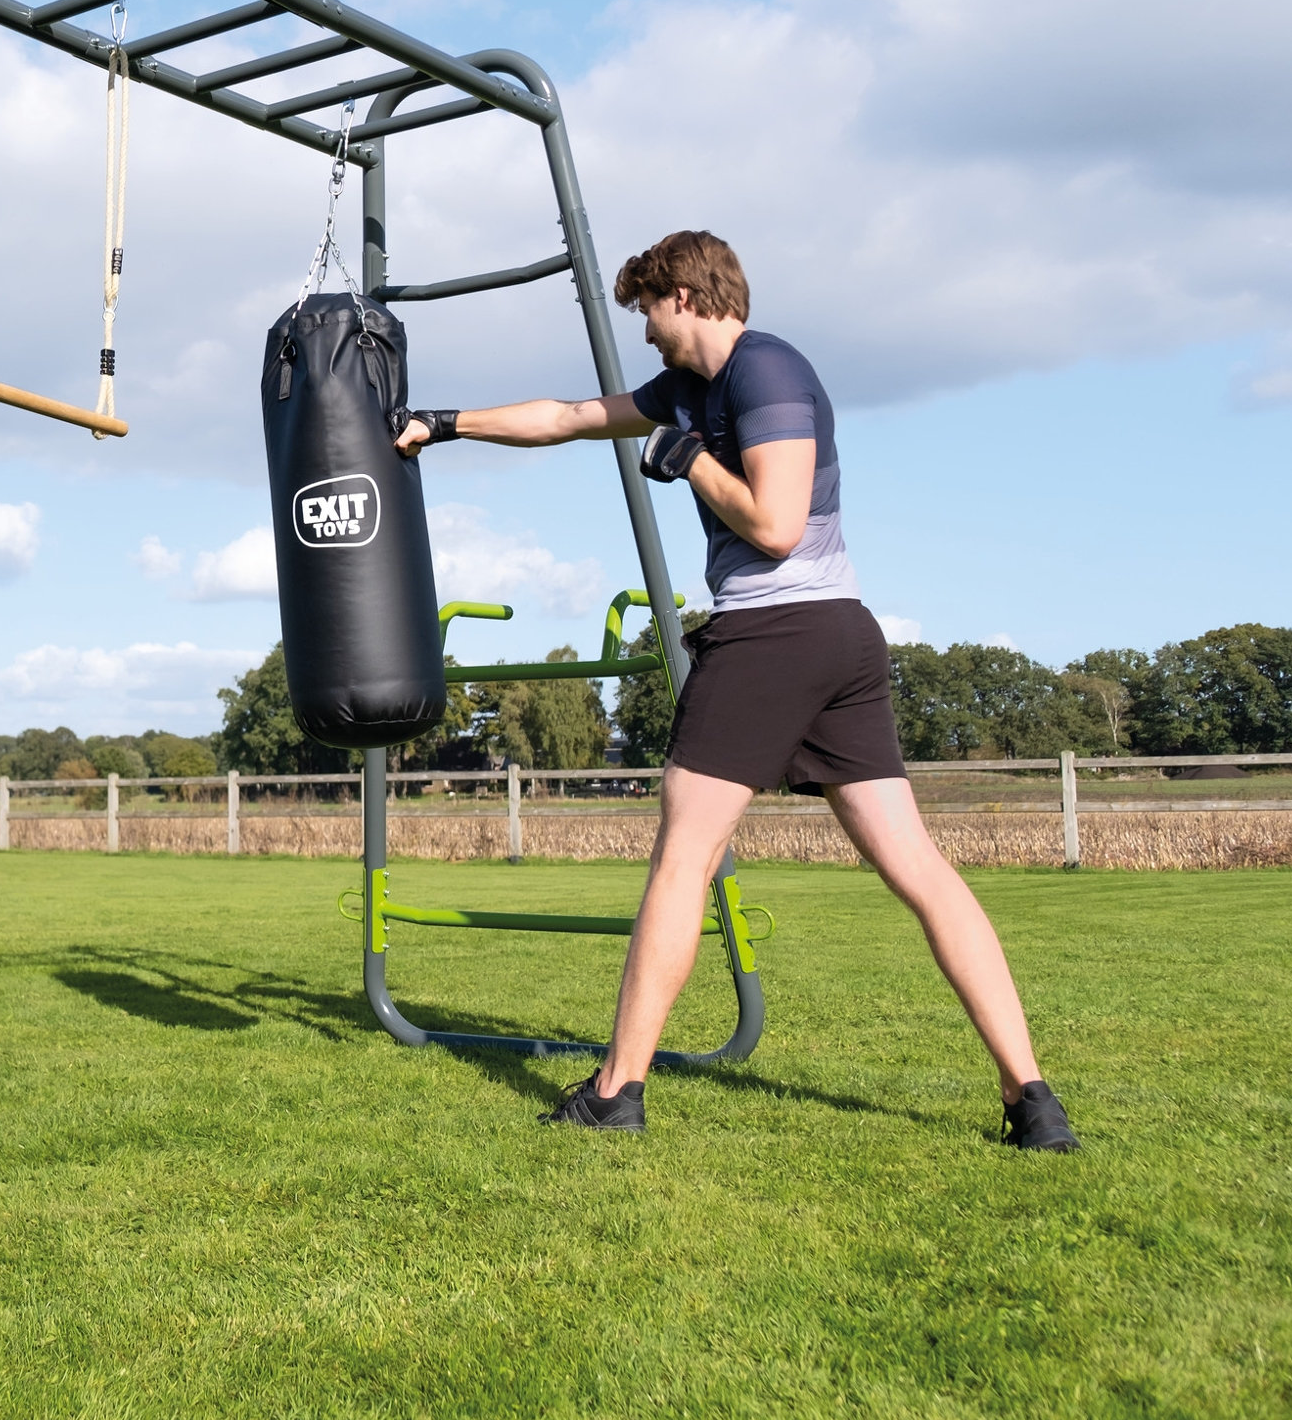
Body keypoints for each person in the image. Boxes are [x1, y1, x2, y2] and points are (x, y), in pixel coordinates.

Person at [395, 229, 1078, 1152]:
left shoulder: (768, 375)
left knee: (684, 857)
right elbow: (567, 416)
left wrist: (692, 461)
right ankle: (1030, 1101)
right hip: (836, 640)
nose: (644, 332)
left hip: (779, 634)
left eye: (648, 310)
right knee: (914, 868)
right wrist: (447, 423)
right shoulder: (690, 389)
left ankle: (616, 1089)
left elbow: (778, 526)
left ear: (685, 294)